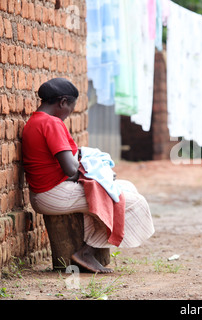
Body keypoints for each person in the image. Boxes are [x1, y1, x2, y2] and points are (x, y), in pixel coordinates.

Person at [22, 78, 155, 273]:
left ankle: (90, 249)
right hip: (52, 194)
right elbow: (70, 168)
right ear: (62, 102)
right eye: (70, 108)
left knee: (126, 187)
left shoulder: (35, 121)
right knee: (133, 202)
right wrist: (92, 171)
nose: (69, 114)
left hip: (45, 192)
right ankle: (87, 252)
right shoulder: (51, 123)